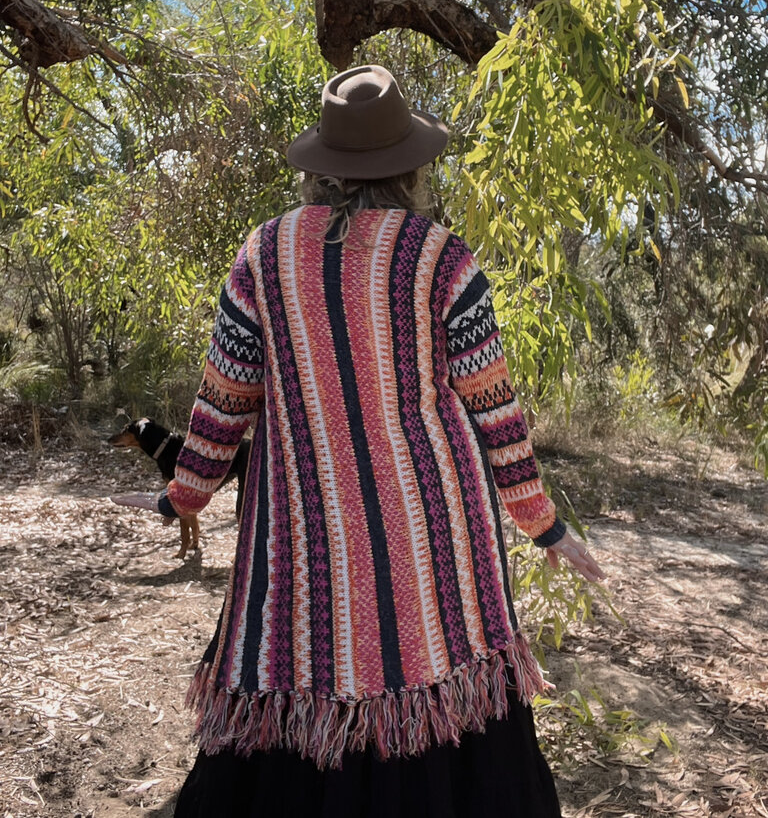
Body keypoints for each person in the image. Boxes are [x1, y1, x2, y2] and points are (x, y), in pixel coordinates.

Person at [112, 64, 604, 817]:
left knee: (296, 677)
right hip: (436, 552)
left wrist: (183, 494)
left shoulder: (264, 255)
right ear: (409, 165)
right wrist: (545, 525)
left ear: (323, 167)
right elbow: (496, 414)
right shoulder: (444, 258)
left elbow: (221, 407)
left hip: (302, 547)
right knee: (445, 702)